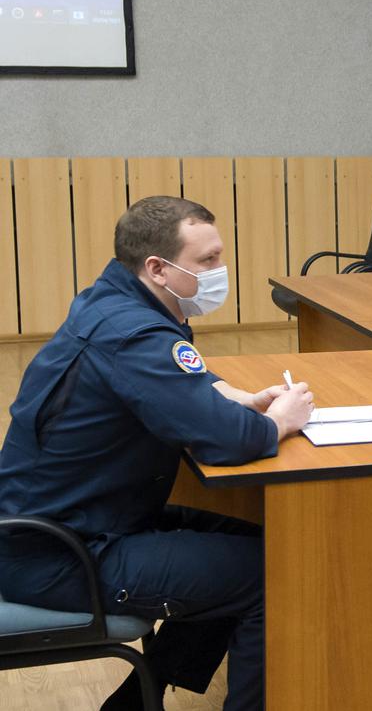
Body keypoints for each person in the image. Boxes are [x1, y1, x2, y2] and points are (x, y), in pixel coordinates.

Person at [0, 196, 314, 711]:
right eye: (207, 261)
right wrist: (277, 422)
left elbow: (175, 381)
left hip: (69, 524)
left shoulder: (112, 302)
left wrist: (234, 396)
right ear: (157, 268)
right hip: (62, 555)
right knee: (271, 573)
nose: (220, 271)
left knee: (258, 540)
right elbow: (229, 441)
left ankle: (131, 704)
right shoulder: (134, 335)